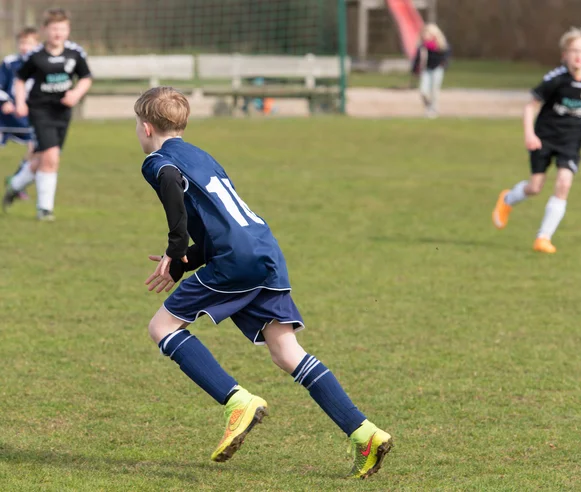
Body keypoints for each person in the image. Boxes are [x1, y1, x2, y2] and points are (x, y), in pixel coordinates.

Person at [135, 86, 393, 479]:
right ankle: (364, 433)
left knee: (162, 327)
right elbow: (216, 223)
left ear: (147, 127)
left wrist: (174, 246)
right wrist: (185, 260)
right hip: (263, 248)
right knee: (285, 351)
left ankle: (237, 401)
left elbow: (169, 181)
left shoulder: (159, 160)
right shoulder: (202, 156)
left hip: (237, 258)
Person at [492, 27, 581, 254]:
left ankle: (543, 238)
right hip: (544, 138)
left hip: (571, 141)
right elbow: (530, 107)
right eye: (573, 50)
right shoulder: (555, 79)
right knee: (535, 187)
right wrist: (529, 134)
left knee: (564, 183)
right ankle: (508, 199)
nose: (578, 55)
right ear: (564, 54)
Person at [3, 8, 92, 221]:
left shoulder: (75, 53)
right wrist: (21, 102)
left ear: (68, 30)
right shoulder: (36, 56)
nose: (58, 33)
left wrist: (76, 93)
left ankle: (15, 186)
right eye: (54, 29)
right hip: (39, 111)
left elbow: (86, 77)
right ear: (45, 30)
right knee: (50, 157)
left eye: (62, 29)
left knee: (45, 160)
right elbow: (20, 79)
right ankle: (45, 209)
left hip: (62, 112)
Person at [0, 26, 39, 207]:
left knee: (35, 149)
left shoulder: (41, 63)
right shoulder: (9, 63)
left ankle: (17, 180)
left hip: (28, 118)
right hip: (5, 118)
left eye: (29, 43)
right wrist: (4, 102)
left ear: (37, 44)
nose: (25, 47)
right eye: (22, 43)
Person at [411, 23, 451, 118]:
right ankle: (429, 107)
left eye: (427, 33)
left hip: (437, 70)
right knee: (423, 91)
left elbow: (446, 56)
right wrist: (415, 70)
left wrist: (443, 64)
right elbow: (417, 59)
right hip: (426, 70)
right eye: (424, 33)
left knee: (434, 90)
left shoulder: (440, 45)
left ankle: (433, 109)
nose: (425, 35)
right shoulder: (422, 47)